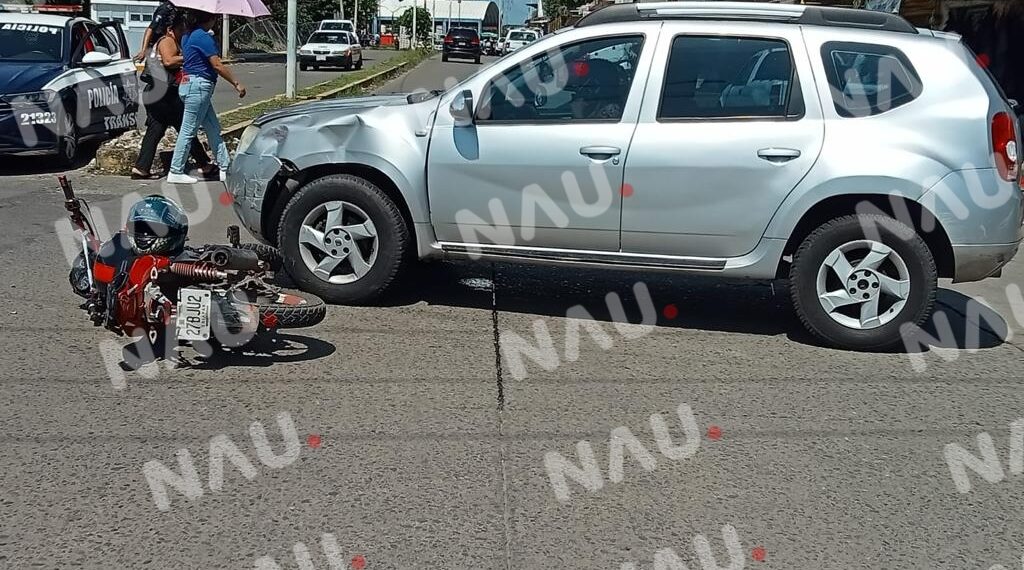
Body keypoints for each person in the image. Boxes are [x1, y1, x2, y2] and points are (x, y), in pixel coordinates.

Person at [166, 10, 246, 184]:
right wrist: (236, 83)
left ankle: (225, 166)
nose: (216, 22)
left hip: (189, 84)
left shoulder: (187, 36)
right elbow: (216, 64)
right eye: (215, 18)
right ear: (209, 19)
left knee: (212, 127)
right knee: (188, 130)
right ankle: (175, 170)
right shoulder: (203, 37)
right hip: (199, 86)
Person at [133, 9, 214, 179]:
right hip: (164, 94)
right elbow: (169, 60)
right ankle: (203, 164)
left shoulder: (171, 40)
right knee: (186, 126)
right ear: (170, 29)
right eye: (181, 30)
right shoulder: (167, 40)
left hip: (158, 93)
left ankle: (141, 167)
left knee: (156, 129)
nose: (183, 33)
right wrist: (189, 56)